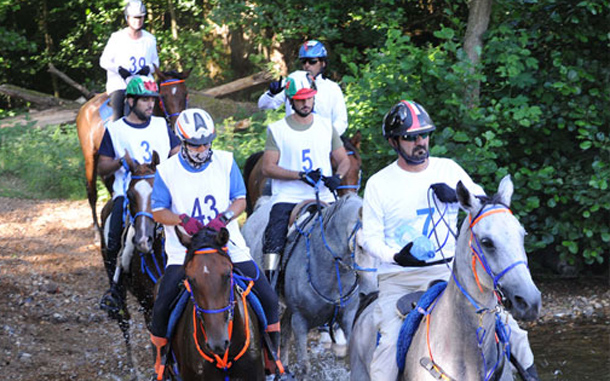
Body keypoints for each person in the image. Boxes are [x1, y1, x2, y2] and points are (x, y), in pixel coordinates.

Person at [361, 100, 538, 380]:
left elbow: (485, 209)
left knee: (514, 333)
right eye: (411, 137)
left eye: (424, 135)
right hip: (399, 277)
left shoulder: (448, 169)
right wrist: (397, 256)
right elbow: (368, 238)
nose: (420, 142)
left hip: (451, 272)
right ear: (395, 142)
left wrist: (463, 196)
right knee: (386, 358)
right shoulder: (378, 183)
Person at [149, 108, 288, 380]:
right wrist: (180, 219)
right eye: (195, 144)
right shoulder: (166, 171)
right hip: (185, 251)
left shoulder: (225, 161)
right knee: (162, 305)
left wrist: (223, 218)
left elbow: (240, 199)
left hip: (228, 246)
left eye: (206, 142)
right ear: (183, 142)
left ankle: (273, 363)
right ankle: (162, 364)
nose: (202, 149)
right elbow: (157, 210)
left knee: (270, 300)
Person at [98, 75, 180, 315]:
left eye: (152, 100)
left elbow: (176, 152)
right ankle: (116, 290)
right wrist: (120, 162)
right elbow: (102, 167)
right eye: (145, 100)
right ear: (130, 101)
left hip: (163, 191)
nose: (150, 105)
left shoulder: (161, 126)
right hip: (128, 193)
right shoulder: (114, 129)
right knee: (114, 236)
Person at [261, 70, 350, 287]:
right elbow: (267, 167)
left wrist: (337, 178)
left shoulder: (326, 126)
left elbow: (344, 160)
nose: (305, 103)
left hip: (325, 196)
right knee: (275, 234)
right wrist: (299, 175)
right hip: (289, 196)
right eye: (300, 100)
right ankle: (271, 283)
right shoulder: (278, 129)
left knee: (351, 229)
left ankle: (359, 280)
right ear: (291, 100)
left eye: (309, 98)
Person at [258, 40, 348, 136]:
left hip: (322, 142)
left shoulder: (332, 88)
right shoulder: (292, 80)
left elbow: (341, 121)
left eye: (312, 61)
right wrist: (271, 94)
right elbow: (263, 105)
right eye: (304, 61)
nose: (307, 65)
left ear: (323, 63)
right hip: (295, 139)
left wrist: (325, 137)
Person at [100, 0, 159, 121]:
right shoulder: (117, 38)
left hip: (144, 84)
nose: (138, 21)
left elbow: (156, 63)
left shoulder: (150, 39)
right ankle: (115, 133)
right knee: (118, 114)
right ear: (127, 18)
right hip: (121, 84)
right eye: (135, 18)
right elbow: (104, 61)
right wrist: (119, 70)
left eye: (141, 17)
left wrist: (149, 68)